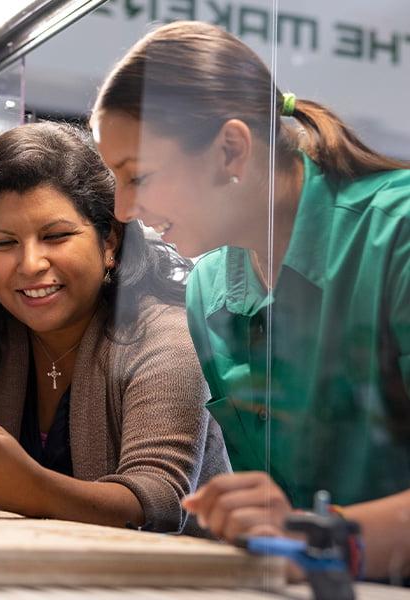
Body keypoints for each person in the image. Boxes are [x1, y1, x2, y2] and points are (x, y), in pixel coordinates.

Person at [91, 21, 410, 580]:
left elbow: (299, 529)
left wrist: (324, 535)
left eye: (138, 176)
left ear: (231, 150)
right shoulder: (210, 290)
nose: (121, 209)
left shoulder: (396, 236)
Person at [0, 122, 229, 534]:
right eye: (4, 243)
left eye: (55, 236)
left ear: (109, 240)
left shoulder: (166, 333)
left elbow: (159, 500)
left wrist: (24, 487)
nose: (30, 264)